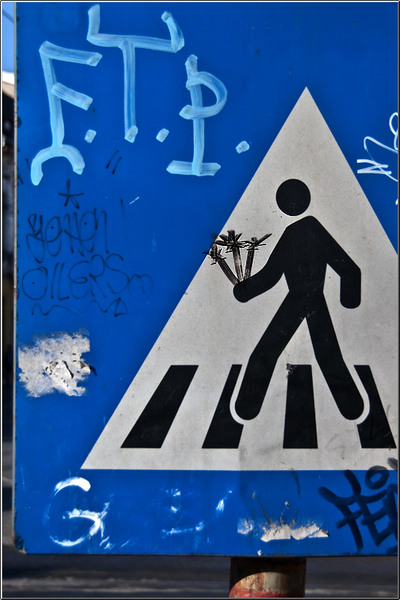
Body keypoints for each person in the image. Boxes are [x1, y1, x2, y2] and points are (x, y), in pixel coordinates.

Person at [233, 178, 364, 421]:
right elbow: (349, 269)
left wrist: (243, 291)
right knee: (327, 355)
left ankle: (247, 406)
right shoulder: (309, 230)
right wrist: (349, 299)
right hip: (310, 300)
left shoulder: (296, 233)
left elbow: (270, 276)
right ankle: (353, 407)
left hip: (299, 301)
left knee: (266, 352)